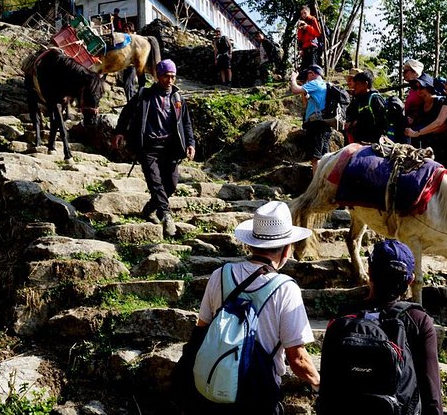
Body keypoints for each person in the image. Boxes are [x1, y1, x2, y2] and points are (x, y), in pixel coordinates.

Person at [196, 201, 320, 414]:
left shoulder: (220, 275)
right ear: (287, 249)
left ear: (250, 244)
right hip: (258, 392)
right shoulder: (285, 288)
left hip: (213, 386)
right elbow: (297, 358)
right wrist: (318, 382)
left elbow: (201, 328)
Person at [317, 240, 443, 415]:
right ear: (410, 280)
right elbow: (432, 394)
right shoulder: (418, 320)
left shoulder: (342, 319)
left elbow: (327, 392)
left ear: (369, 273)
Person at [112, 59, 195, 236]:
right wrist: (119, 132)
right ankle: (165, 215)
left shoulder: (178, 98)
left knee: (171, 185)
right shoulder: (144, 94)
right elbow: (126, 113)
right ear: (158, 76)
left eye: (173, 76)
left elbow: (186, 123)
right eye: (166, 76)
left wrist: (190, 143)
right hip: (148, 146)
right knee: (155, 182)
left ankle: (150, 207)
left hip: (171, 148)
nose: (170, 80)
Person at [290, 64, 334, 174]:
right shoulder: (325, 85)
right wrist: (305, 92)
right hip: (325, 123)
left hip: (316, 125)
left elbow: (295, 90)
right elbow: (306, 105)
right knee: (324, 157)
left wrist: (293, 78)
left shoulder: (315, 83)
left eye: (307, 75)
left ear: (312, 74)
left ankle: (316, 186)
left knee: (316, 158)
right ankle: (323, 184)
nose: (307, 79)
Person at [407, 73, 447, 167]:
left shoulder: (441, 103)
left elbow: (443, 126)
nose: (419, 91)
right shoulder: (420, 107)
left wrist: (418, 132)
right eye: (417, 88)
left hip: (442, 151)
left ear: (429, 88)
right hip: (425, 152)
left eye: (421, 88)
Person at [344, 70, 387, 144]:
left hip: (374, 144)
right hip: (361, 143)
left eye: (357, 84)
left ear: (365, 84)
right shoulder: (359, 100)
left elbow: (382, 122)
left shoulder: (374, 98)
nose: (354, 86)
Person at [296, 6, 322, 78]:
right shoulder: (301, 22)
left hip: (312, 46)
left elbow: (318, 33)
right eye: (302, 13)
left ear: (309, 12)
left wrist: (307, 27)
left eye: (305, 13)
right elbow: (300, 38)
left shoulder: (312, 19)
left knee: (313, 67)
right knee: (304, 67)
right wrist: (300, 49)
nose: (303, 15)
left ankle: (315, 82)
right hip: (304, 47)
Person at [120, 22, 140, 101]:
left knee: (128, 85)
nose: (125, 30)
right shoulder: (125, 38)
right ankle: (133, 102)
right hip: (125, 66)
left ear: (131, 30)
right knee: (127, 85)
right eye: (124, 29)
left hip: (132, 66)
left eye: (127, 29)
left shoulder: (134, 39)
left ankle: (131, 103)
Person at [403, 59, 424, 124]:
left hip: (419, 128)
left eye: (406, 71)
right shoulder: (413, 89)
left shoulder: (423, 89)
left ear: (415, 72)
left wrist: (414, 118)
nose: (403, 73)